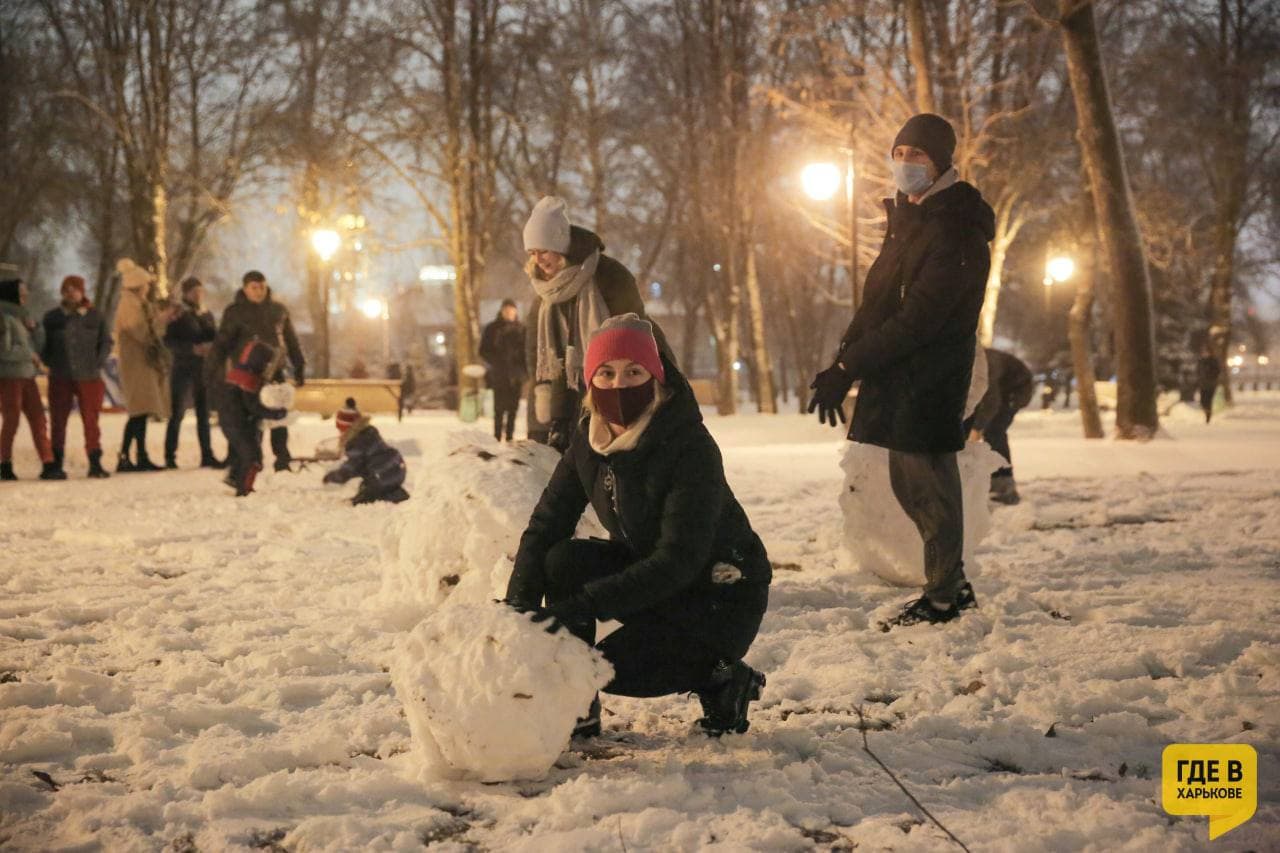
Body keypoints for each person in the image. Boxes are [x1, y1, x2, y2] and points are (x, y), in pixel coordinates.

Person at [506, 315, 770, 737]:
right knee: (561, 561)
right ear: (591, 381)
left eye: (634, 371)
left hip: (718, 596)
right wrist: (518, 609)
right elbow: (546, 525)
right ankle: (577, 709)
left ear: (657, 376)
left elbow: (678, 560)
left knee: (609, 669)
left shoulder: (689, 447)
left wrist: (578, 608)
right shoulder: (588, 442)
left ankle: (722, 677)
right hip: (654, 582)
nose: (618, 384)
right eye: (606, 373)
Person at [807, 113, 993, 629]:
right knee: (908, 484)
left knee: (929, 487)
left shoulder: (955, 230)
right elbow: (878, 303)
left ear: (941, 162)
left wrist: (852, 362)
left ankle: (946, 595)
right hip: (899, 375)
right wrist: (843, 365)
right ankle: (946, 587)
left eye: (918, 155)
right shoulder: (913, 220)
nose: (905, 163)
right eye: (900, 153)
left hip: (929, 377)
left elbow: (920, 320)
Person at [522, 196, 670, 452]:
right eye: (532, 253)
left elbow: (636, 337)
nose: (539, 260)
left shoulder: (608, 277)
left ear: (562, 246)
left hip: (614, 390)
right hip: (565, 406)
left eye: (544, 250)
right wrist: (550, 421)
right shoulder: (544, 297)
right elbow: (541, 362)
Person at [207, 270, 305, 472]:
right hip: (247, 371)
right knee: (248, 415)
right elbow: (222, 343)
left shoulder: (278, 310)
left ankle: (282, 457)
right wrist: (211, 370)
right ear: (245, 289)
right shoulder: (235, 312)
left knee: (278, 412)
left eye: (261, 286)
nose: (259, 291)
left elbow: (291, 340)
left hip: (275, 369)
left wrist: (299, 365)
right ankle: (248, 458)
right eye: (254, 287)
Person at [41, 275, 113, 478]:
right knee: (58, 420)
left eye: (75, 289)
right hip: (60, 375)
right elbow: (43, 344)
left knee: (91, 420)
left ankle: (94, 461)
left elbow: (106, 341)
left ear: (82, 291)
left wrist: (97, 361)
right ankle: (55, 462)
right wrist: (50, 362)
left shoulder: (95, 316)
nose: (71, 292)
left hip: (89, 376)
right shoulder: (52, 318)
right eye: (67, 289)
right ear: (62, 292)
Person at [114, 259, 174, 473]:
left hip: (142, 364)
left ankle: (138, 455)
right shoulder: (129, 305)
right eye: (146, 284)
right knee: (138, 411)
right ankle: (130, 456)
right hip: (136, 364)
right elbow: (141, 332)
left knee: (140, 411)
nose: (148, 288)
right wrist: (161, 321)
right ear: (138, 285)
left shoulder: (138, 304)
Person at [0, 279, 63, 480]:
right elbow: (4, 350)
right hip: (10, 376)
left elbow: (37, 346)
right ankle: (4, 462)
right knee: (12, 419)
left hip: (28, 375)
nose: (25, 297)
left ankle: (48, 461)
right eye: (22, 293)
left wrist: (36, 330)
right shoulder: (3, 318)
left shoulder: (24, 317)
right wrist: (30, 355)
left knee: (38, 418)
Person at [217, 340, 288, 496]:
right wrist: (276, 414)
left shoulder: (238, 373)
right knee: (252, 457)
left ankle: (235, 477)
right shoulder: (247, 380)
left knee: (244, 452)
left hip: (233, 421)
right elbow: (253, 406)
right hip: (237, 423)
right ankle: (244, 488)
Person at [163, 276, 221, 468]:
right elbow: (169, 341)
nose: (198, 295)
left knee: (203, 413)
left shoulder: (206, 314)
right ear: (186, 293)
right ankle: (170, 455)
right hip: (183, 367)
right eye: (193, 291)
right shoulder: (178, 314)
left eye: (200, 291)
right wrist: (191, 348)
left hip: (202, 369)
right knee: (177, 412)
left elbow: (215, 336)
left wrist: (211, 347)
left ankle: (207, 454)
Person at [968, 348, 1034, 505]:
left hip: (1016, 390)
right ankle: (989, 482)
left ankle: (1004, 487)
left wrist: (977, 428)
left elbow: (992, 401)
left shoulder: (984, 364)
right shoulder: (968, 361)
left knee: (994, 432)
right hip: (999, 388)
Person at [322, 398, 410, 504]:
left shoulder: (357, 442)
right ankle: (397, 494)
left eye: (341, 430)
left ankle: (363, 500)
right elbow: (360, 465)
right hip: (395, 468)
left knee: (369, 491)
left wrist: (335, 476)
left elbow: (351, 467)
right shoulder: (368, 434)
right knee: (373, 485)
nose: (340, 433)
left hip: (383, 472)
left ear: (349, 429)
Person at [479, 299, 527, 442]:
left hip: (516, 375)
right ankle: (497, 436)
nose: (509, 313)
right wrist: (497, 362)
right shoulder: (492, 329)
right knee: (499, 408)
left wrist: (523, 370)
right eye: (506, 310)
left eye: (511, 310)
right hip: (499, 374)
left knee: (513, 407)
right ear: (501, 311)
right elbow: (483, 350)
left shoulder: (521, 329)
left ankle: (510, 436)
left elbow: (526, 351)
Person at [1196, 346, 1221, 424]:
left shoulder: (1213, 361)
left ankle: (1208, 415)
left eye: (1206, 352)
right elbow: (1198, 371)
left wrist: (1211, 375)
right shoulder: (1201, 361)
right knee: (1202, 401)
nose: (1204, 354)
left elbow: (1217, 371)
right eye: (1203, 352)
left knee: (1208, 400)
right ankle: (1206, 411)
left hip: (1211, 384)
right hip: (1203, 384)